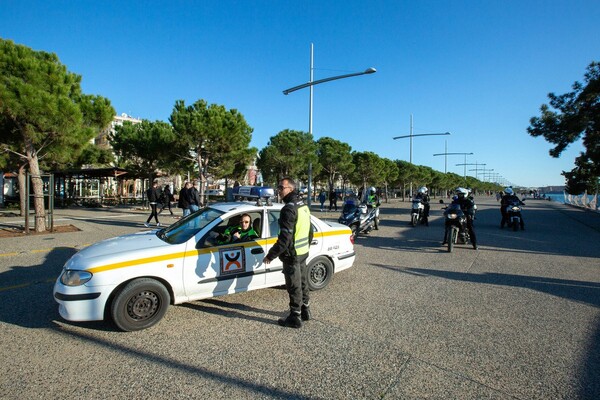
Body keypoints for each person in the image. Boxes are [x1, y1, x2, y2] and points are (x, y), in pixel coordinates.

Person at [263, 177, 313, 329]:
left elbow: (284, 240)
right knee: (303, 282)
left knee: (294, 285)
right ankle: (306, 310)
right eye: (278, 187)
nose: (278, 190)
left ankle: (295, 317)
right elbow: (310, 232)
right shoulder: (302, 205)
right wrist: (305, 247)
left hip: (293, 254)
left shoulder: (288, 209)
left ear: (290, 189)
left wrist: (270, 255)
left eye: (281, 188)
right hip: (303, 252)